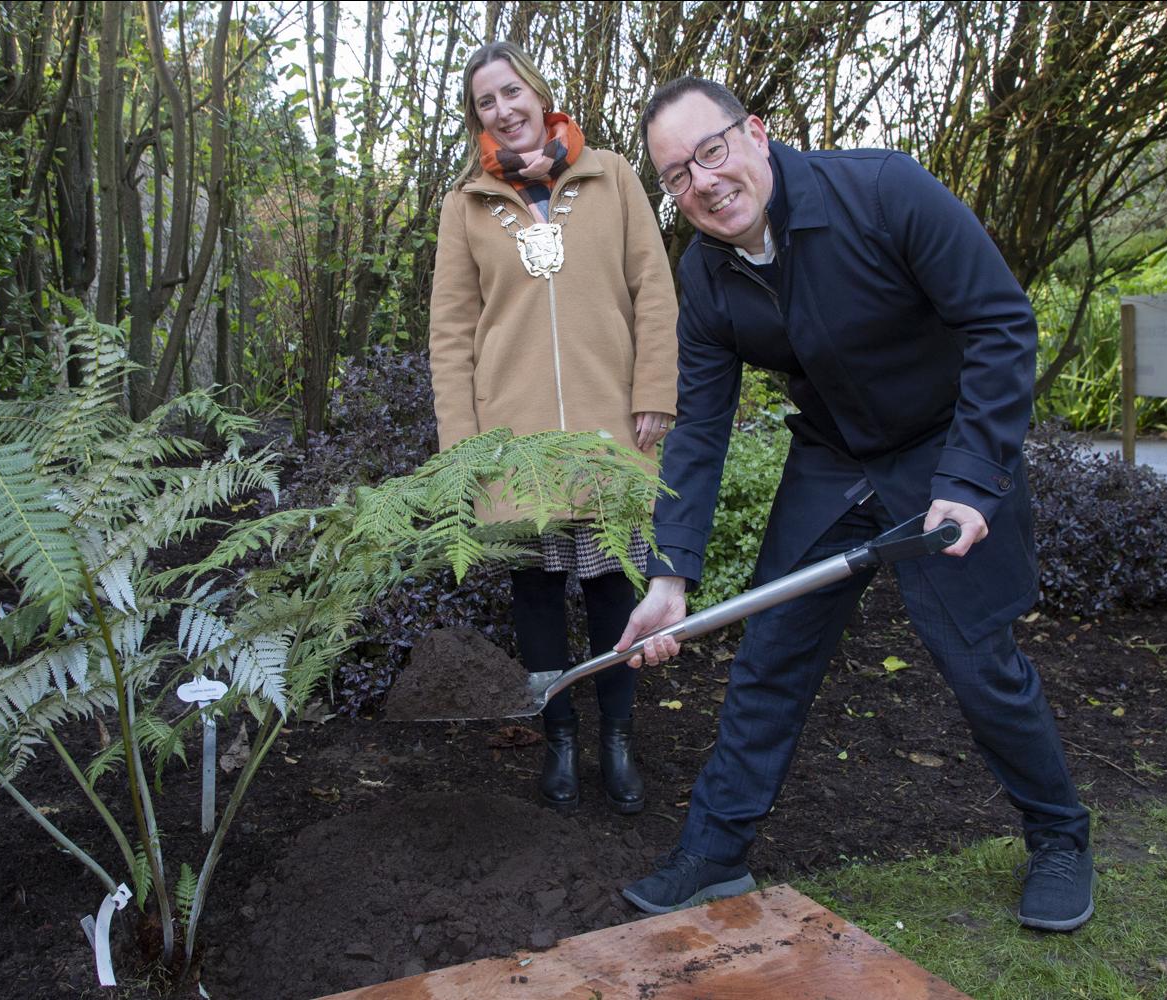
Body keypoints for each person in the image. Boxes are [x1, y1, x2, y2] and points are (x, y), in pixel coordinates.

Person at [612, 77, 1094, 931]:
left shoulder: (882, 191)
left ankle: (1060, 838)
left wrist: (972, 477)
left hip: (948, 454)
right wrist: (670, 572)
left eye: (711, 151)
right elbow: (700, 429)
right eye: (677, 176)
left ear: (755, 133)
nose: (703, 183)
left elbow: (1000, 322)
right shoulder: (707, 275)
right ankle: (716, 850)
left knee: (978, 661)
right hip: (834, 462)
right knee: (770, 653)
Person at [427, 42, 679, 815]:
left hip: (611, 427)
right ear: (477, 119)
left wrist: (656, 390)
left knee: (613, 587)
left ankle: (617, 739)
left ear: (538, 94)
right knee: (535, 592)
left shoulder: (612, 176)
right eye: (485, 103)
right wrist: (464, 450)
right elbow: (451, 335)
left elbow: (654, 291)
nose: (503, 110)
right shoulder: (466, 204)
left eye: (511, 93)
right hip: (515, 442)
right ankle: (560, 740)